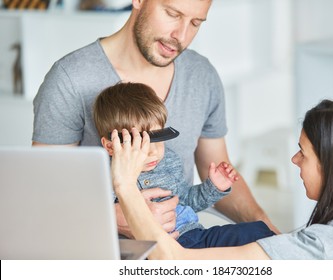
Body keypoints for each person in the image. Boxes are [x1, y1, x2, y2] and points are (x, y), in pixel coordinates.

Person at [32, 0, 275, 238]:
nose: (181, 35)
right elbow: (43, 192)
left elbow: (218, 167)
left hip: (182, 240)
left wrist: (272, 234)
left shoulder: (202, 75)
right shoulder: (70, 79)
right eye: (173, 13)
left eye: (195, 23)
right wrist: (114, 216)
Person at [110, 99, 333, 259]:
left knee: (257, 230)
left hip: (185, 242)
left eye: (303, 153)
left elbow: (174, 261)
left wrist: (125, 184)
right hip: (161, 245)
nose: (294, 159)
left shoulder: (320, 247)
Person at [93, 81, 275, 248]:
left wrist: (213, 187)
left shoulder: (169, 161)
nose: (153, 151)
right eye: (141, 143)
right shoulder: (104, 175)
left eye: (159, 139)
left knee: (258, 232)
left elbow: (186, 201)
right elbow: (95, 219)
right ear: (110, 145)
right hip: (146, 250)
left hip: (193, 236)